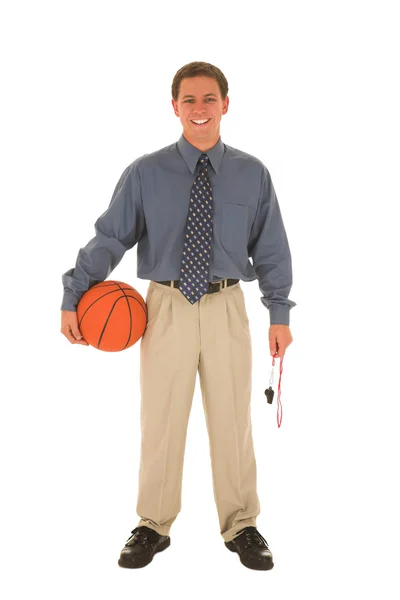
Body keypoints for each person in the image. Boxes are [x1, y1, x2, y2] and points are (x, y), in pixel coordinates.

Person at [60, 61, 296, 571]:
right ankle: (153, 524)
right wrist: (73, 294)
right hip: (164, 305)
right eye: (189, 100)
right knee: (161, 418)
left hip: (227, 305)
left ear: (225, 104)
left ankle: (242, 524)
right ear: (174, 107)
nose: (199, 109)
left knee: (233, 419)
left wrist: (279, 312)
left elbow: (272, 248)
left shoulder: (253, 173)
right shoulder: (146, 172)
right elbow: (110, 238)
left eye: (209, 99)